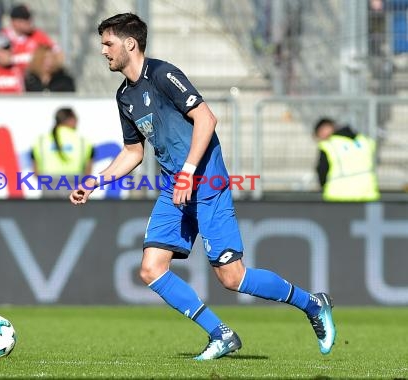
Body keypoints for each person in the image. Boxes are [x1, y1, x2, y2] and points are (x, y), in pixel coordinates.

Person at [70, 13, 336, 360]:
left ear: (129, 43)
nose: (103, 51)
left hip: (207, 184)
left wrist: (188, 172)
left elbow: (206, 118)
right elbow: (134, 152)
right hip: (174, 190)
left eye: (108, 43)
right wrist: (96, 181)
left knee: (233, 278)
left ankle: (312, 304)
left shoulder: (163, 74)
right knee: (151, 268)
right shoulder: (124, 96)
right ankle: (220, 334)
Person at [314, 118, 380, 202]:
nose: (321, 137)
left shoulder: (328, 145)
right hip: (367, 195)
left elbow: (322, 169)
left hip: (337, 196)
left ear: (326, 128)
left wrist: (323, 186)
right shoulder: (365, 141)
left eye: (319, 134)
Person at [33, 107, 94, 198]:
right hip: (75, 187)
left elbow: (36, 171)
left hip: (49, 188)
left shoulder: (41, 140)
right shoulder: (83, 141)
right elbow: (88, 171)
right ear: (71, 120)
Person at [0, 4, 60, 71]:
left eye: (30, 18)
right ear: (15, 22)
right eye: (25, 19)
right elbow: (3, 60)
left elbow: (56, 51)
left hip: (33, 76)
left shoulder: (37, 34)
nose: (30, 22)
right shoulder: (3, 36)